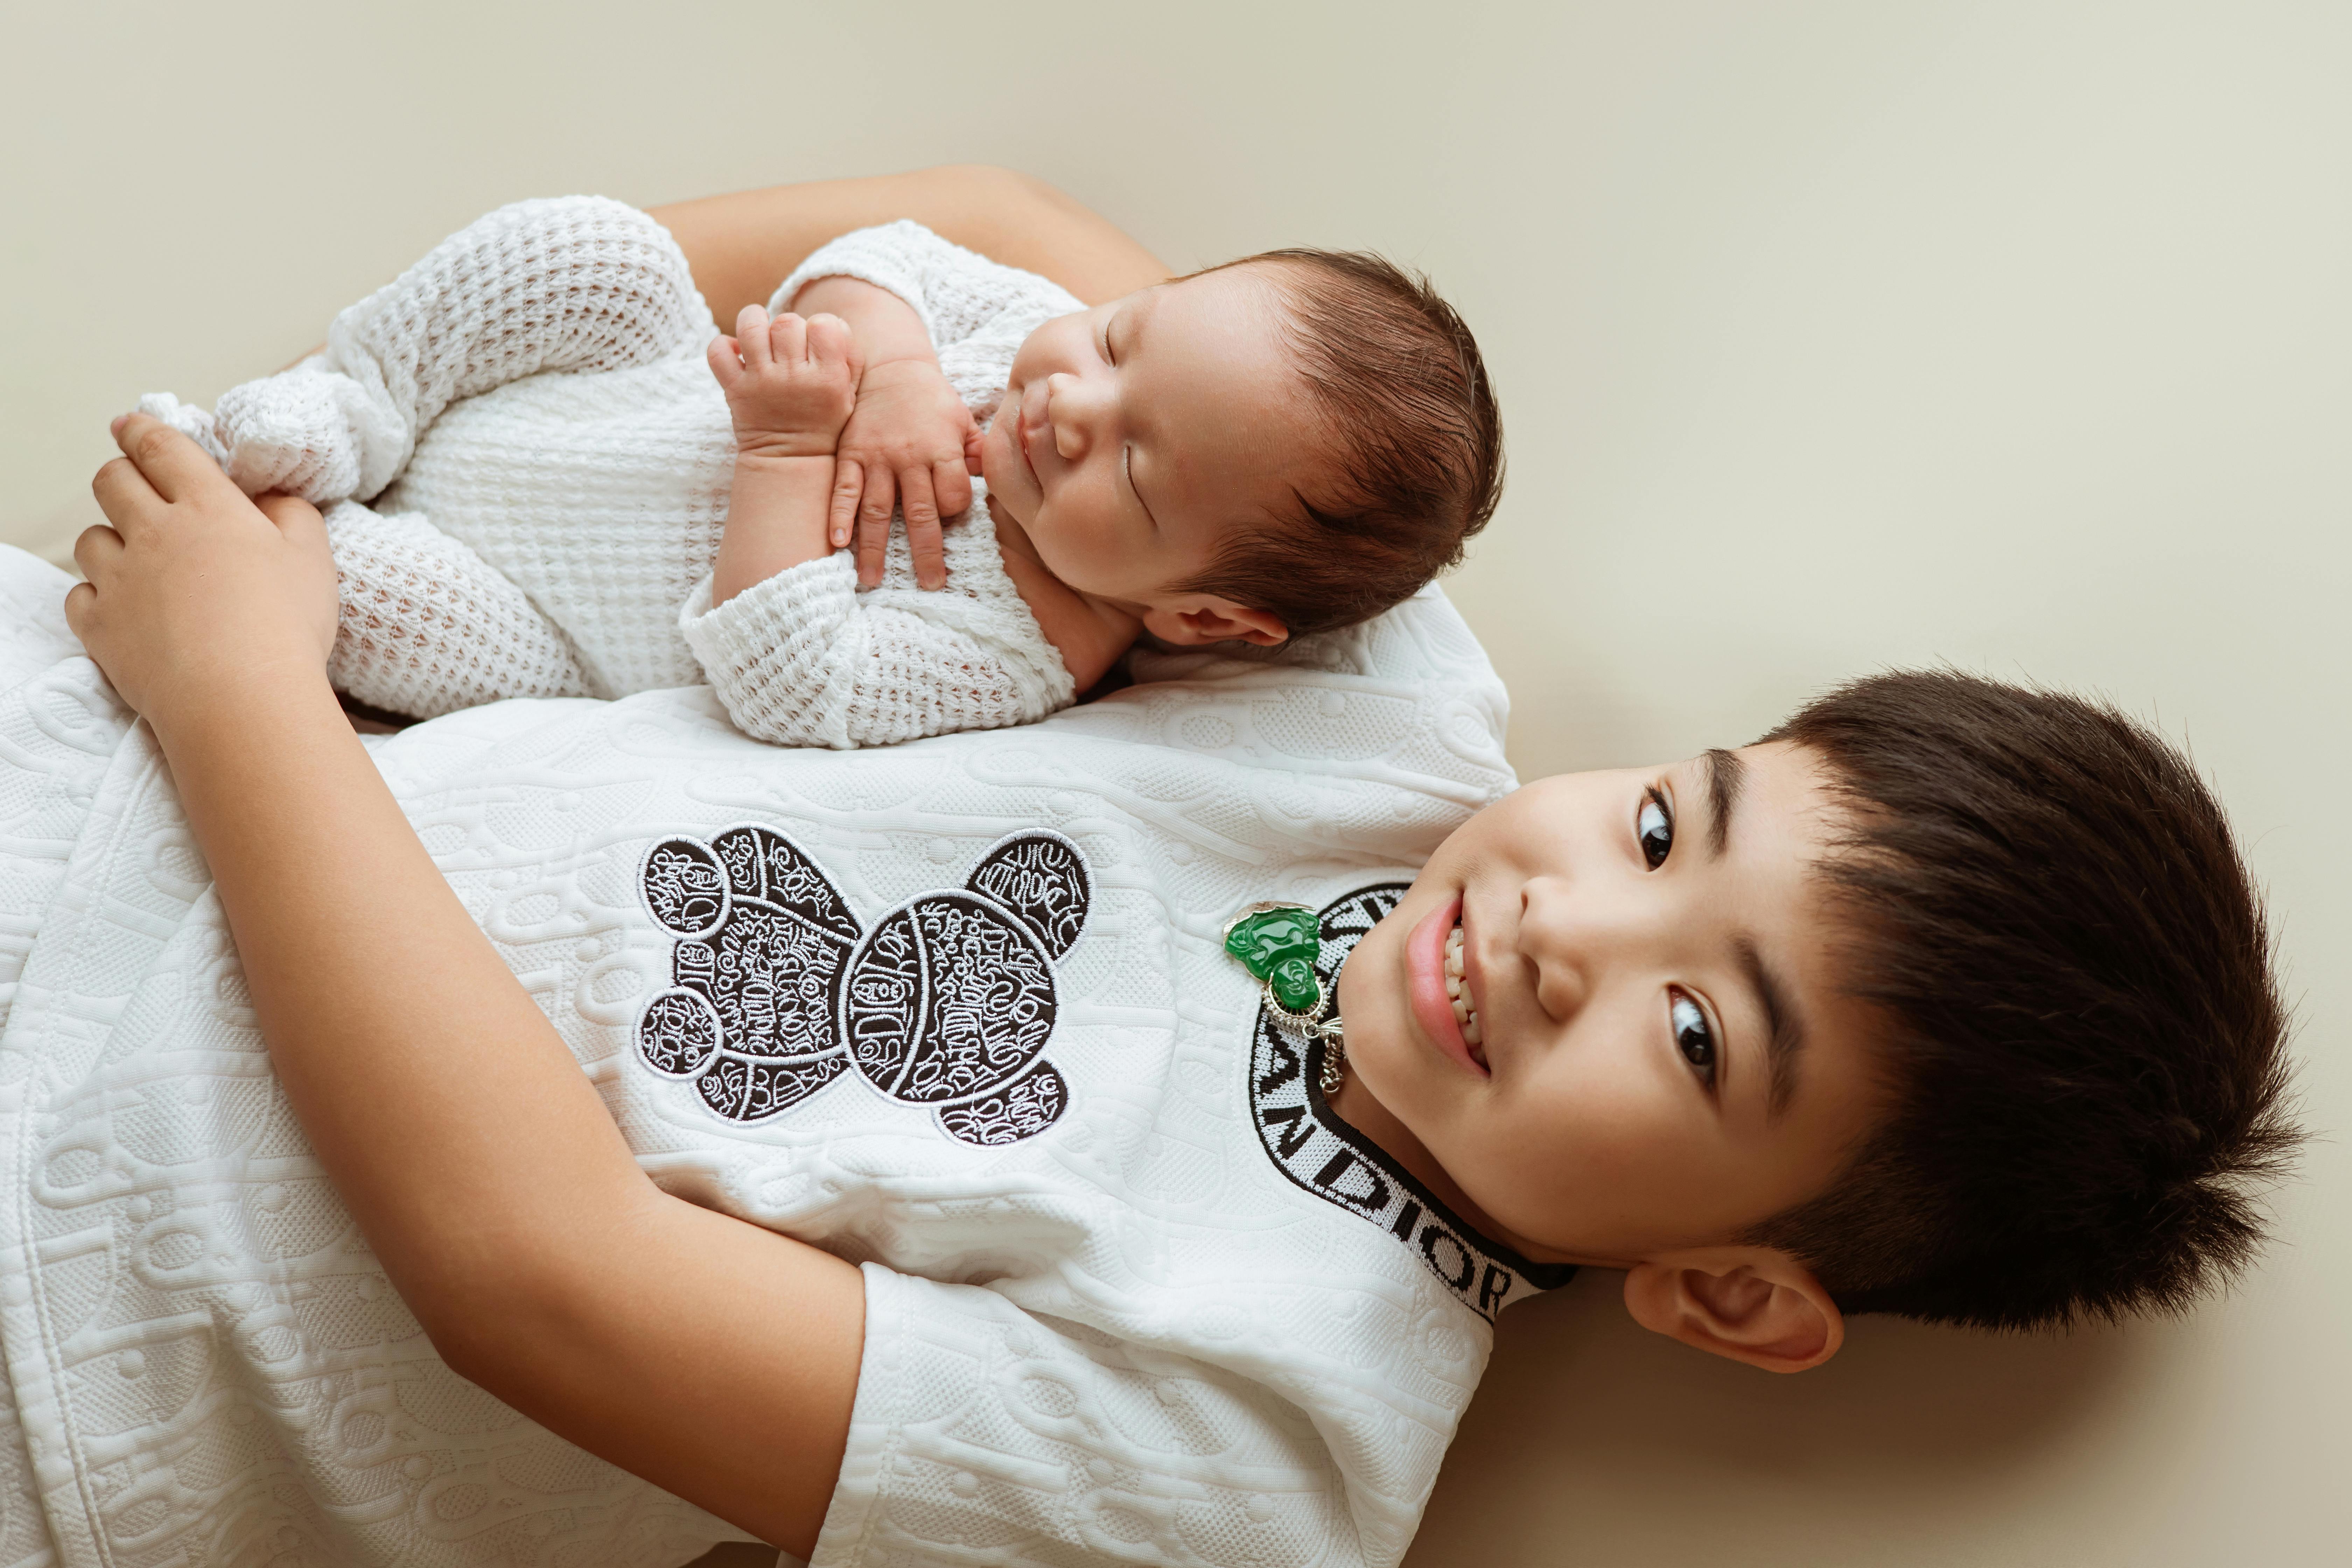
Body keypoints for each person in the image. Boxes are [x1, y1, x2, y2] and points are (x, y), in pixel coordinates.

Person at [6, 170, 2292, 1568]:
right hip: (83, 774)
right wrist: (857, 357)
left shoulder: (1269, 1451)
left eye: (1704, 1034)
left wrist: (242, 690)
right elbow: (1008, 225)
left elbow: (542, 1280)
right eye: (1675, 821)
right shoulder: (1383, 720)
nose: (1570, 923)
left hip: (78, 1329)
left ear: (1735, 1290)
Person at [138, 184, 1502, 748]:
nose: (1074, 401)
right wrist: (895, 362)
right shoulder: (1005, 342)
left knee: (398, 618)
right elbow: (880, 252)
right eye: (1122, 337)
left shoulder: (1021, 650)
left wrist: (793, 450)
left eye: (1135, 470)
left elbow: (794, 688)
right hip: (613, 390)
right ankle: (355, 405)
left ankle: (247, 500)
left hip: (539, 619)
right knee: (595, 250)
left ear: (1202, 615)